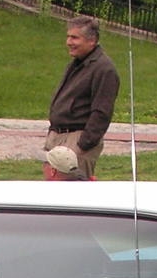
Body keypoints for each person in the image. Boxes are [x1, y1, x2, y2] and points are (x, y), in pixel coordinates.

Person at [46, 15, 119, 180]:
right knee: (52, 196)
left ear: (92, 41)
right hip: (59, 138)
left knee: (72, 196)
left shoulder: (103, 69)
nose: (68, 42)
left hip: (76, 142)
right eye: (68, 36)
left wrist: (82, 146)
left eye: (74, 37)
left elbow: (102, 113)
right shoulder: (77, 63)